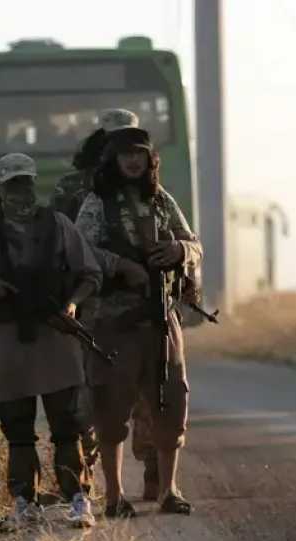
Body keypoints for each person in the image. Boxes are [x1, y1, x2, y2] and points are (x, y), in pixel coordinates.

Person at [0, 153, 100, 529]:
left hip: (54, 336)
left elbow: (90, 274)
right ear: (0, 189)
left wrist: (72, 305)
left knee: (67, 425)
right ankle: (23, 502)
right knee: (17, 430)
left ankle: (78, 497)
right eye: (13, 184)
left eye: (26, 183)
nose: (21, 192)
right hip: (7, 340)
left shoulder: (59, 225)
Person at [75, 125, 202, 517]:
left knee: (170, 403)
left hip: (161, 321)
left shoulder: (161, 200)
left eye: (140, 154)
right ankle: (114, 497)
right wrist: (121, 265)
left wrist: (178, 250)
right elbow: (80, 251)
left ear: (150, 159)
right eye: (126, 154)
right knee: (110, 408)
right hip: (112, 323)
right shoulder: (98, 203)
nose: (133, 161)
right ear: (113, 159)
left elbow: (194, 244)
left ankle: (168, 491)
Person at [54, 108, 163, 500]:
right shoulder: (77, 189)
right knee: (97, 393)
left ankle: (154, 471)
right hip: (94, 306)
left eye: (134, 145)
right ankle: (89, 481)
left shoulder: (149, 190)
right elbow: (64, 246)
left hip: (143, 307)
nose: (129, 155)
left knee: (154, 389)